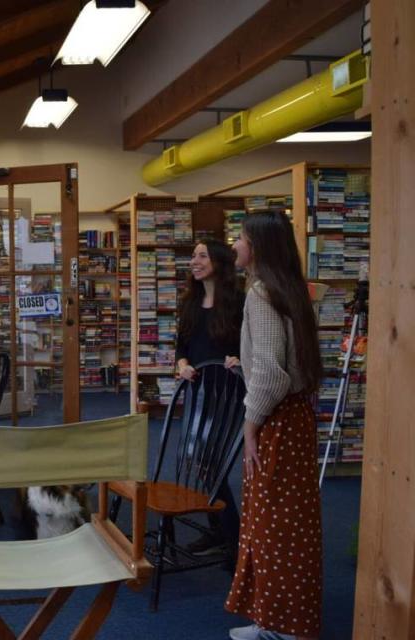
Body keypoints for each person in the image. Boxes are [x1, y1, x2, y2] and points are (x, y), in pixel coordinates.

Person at [226, 211, 323, 640]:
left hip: (277, 420)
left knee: (272, 524)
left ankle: (282, 626)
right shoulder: (291, 290)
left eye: (241, 238)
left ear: (258, 247)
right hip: (297, 417)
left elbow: (269, 374)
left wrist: (250, 425)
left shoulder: (262, 293)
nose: (235, 246)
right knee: (289, 521)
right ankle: (276, 619)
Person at [174, 241, 245, 558]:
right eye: (193, 256)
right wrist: (182, 365)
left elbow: (251, 346)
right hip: (197, 392)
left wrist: (240, 358)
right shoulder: (189, 302)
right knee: (201, 464)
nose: (194, 261)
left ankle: (234, 538)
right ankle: (221, 532)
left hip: (227, 395)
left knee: (212, 465)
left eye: (202, 256)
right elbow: (181, 347)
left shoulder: (239, 303)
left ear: (218, 261)